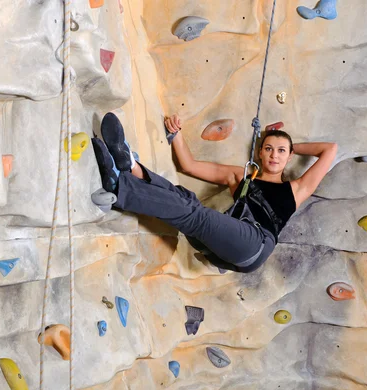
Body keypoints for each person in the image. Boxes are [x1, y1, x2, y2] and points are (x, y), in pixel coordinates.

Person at [91, 112, 337, 273]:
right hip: (218, 245)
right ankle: (131, 168)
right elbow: (189, 165)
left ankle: (119, 187)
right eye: (269, 149)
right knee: (185, 197)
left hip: (255, 245)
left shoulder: (296, 189)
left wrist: (292, 145)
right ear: (260, 153)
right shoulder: (241, 176)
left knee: (194, 214)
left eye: (282, 151)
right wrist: (175, 134)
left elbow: (330, 149)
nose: (274, 155)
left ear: (290, 156)